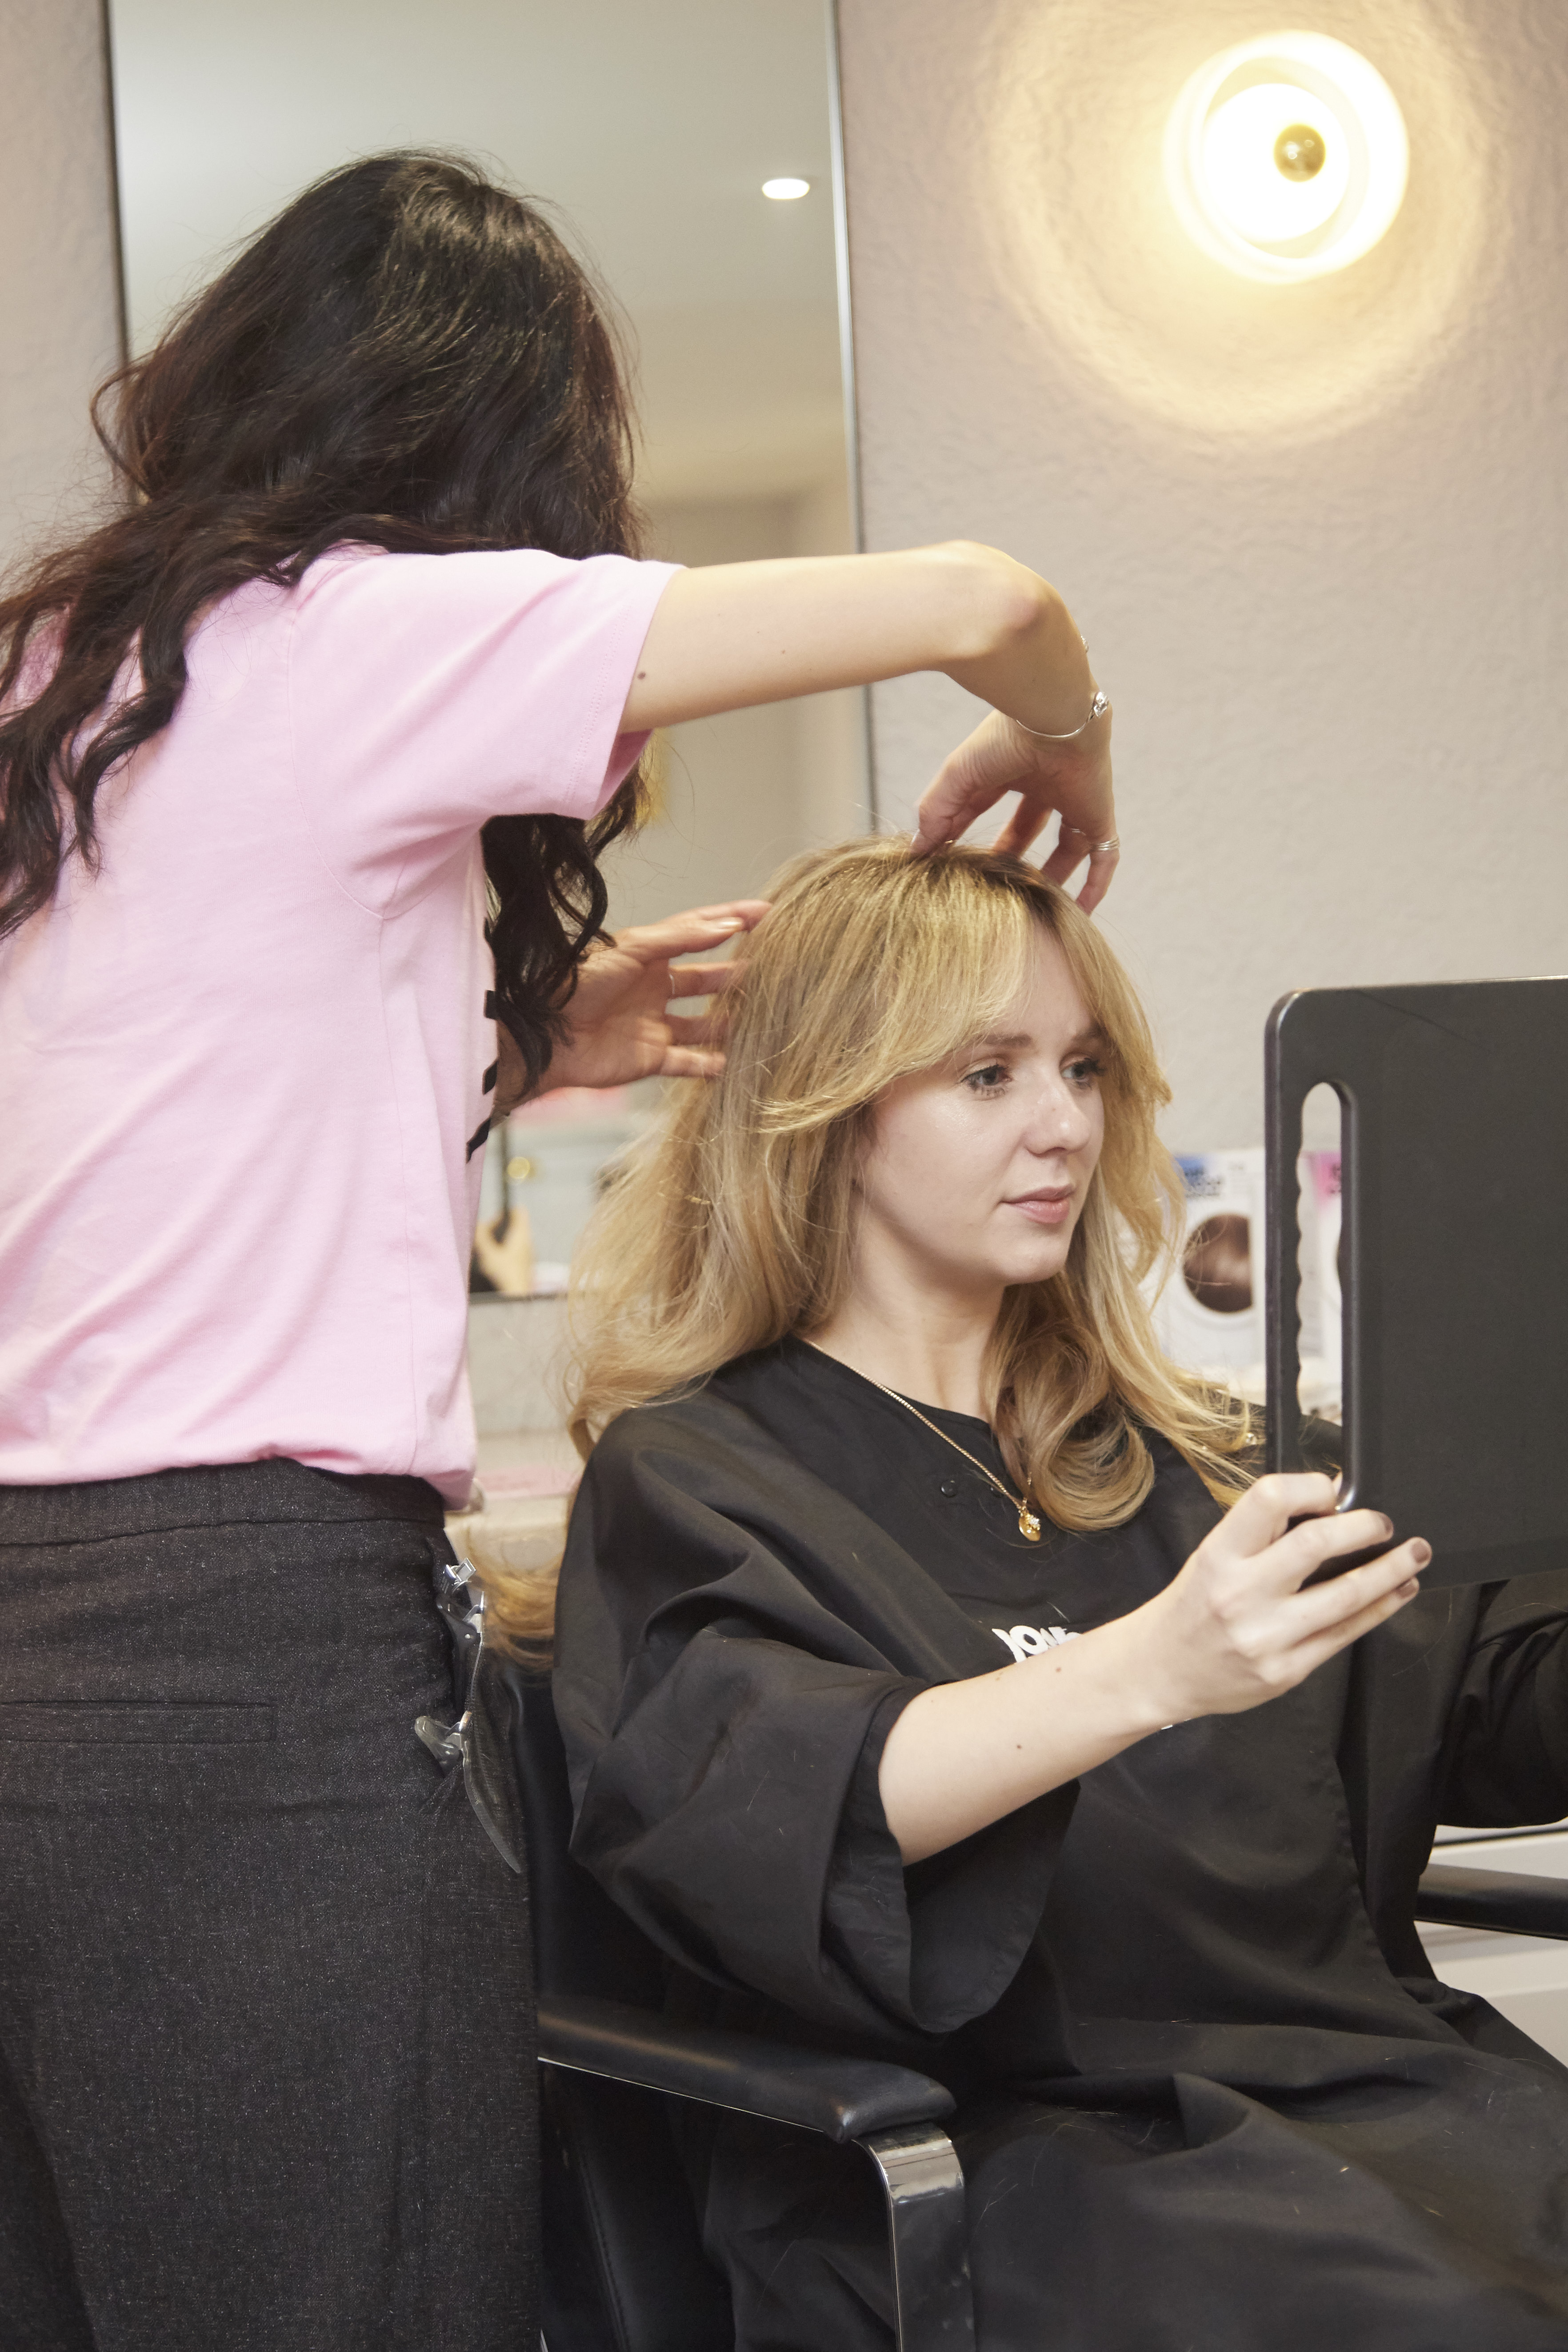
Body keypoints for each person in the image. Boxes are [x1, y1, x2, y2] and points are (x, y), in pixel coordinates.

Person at [0, 152, 1122, 2352]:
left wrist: (530, 1045)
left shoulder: (68, 681)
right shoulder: (362, 625)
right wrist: (1070, 751)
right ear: (499, 448)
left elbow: (141, 1134)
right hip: (250, 1669)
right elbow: (992, 594)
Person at [553, 838, 1568, 2352]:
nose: (1065, 1125)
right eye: (988, 1074)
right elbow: (773, 1806)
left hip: (1378, 2104)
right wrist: (1157, 1663)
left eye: (1084, 1068)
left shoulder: (1204, 1464)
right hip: (1026, 2165)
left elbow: (1500, 1688)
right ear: (830, 1111)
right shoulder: (701, 1476)